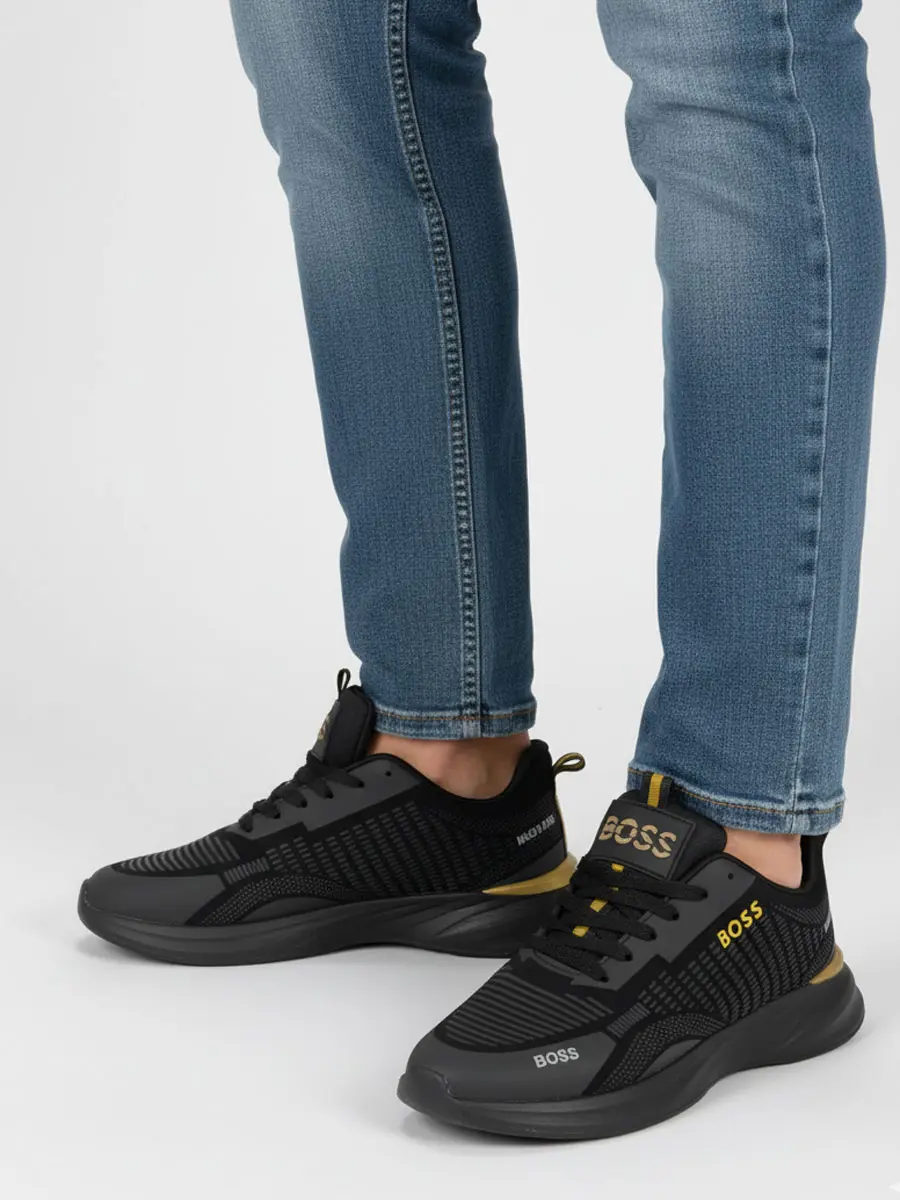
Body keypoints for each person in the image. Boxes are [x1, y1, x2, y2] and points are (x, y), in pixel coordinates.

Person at [78, 0, 885, 1140]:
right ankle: (445, 773)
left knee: (723, 47)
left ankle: (747, 851)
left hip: (749, 855)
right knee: (337, 48)